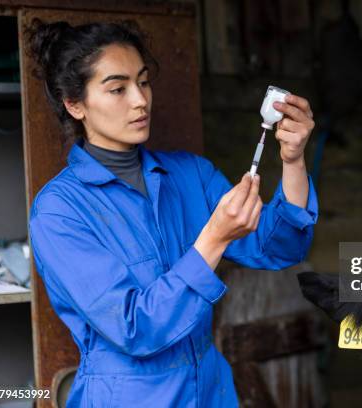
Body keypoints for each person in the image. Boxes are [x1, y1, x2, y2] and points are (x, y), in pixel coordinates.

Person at [26, 19, 318, 407]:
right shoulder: (59, 212)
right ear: (74, 104)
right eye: (117, 88)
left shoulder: (190, 175)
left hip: (211, 393)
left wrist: (293, 161)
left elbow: (279, 247)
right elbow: (134, 327)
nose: (140, 100)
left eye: (143, 82)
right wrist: (213, 239)